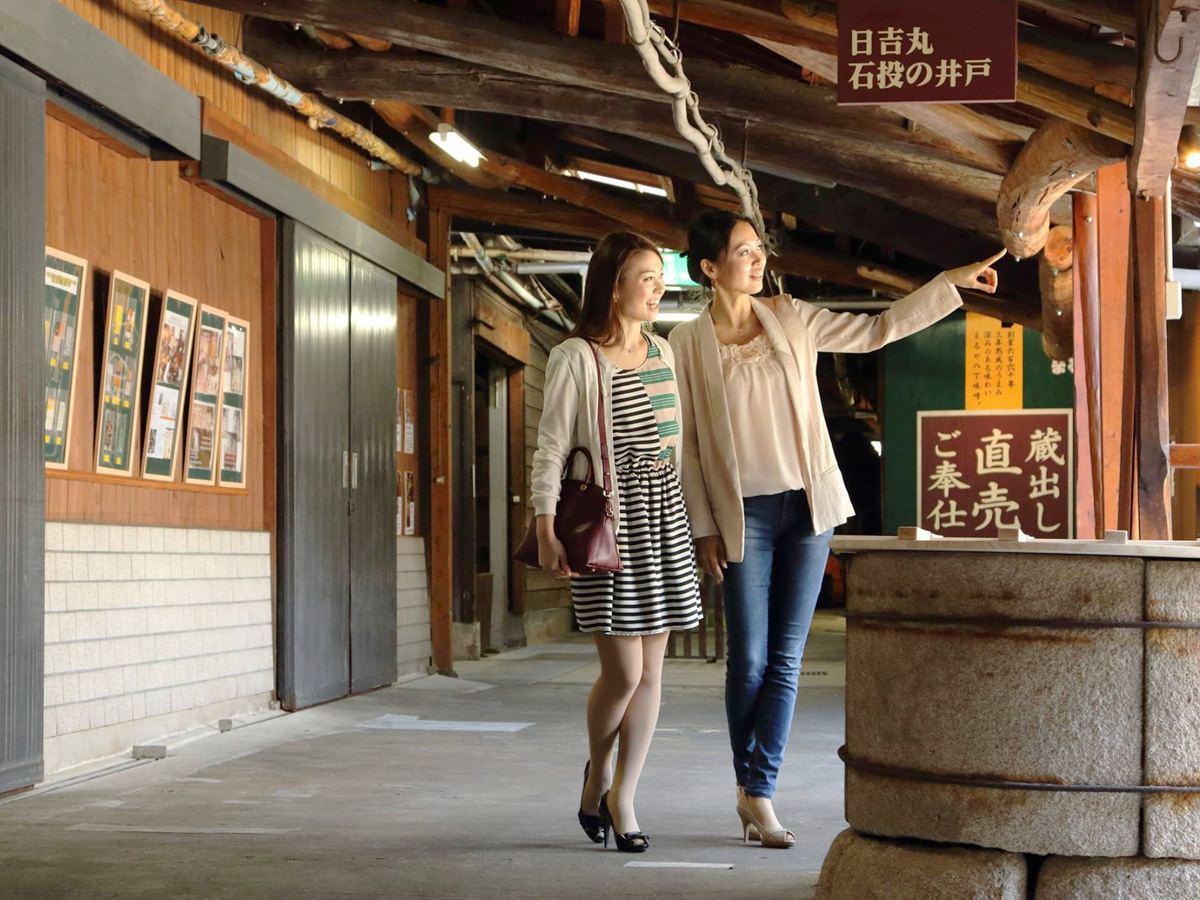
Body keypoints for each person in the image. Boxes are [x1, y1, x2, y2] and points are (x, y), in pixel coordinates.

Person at [669, 210, 1004, 849]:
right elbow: (686, 445)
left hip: (807, 507)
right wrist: (703, 525)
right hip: (743, 514)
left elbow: (878, 330)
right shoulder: (685, 343)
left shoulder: (791, 316)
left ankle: (759, 792)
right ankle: (749, 785)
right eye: (743, 251)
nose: (757, 259)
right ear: (710, 267)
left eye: (758, 248)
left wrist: (948, 284)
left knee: (786, 660)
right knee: (749, 659)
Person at [531, 231, 703, 853]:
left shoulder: (663, 351)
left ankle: (624, 796)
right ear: (612, 286)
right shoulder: (575, 357)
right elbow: (552, 446)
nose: (659, 287)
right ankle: (598, 772)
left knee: (652, 670)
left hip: (663, 515)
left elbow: (676, 444)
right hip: (609, 519)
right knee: (624, 671)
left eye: (661, 276)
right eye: (647, 276)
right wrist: (544, 524)